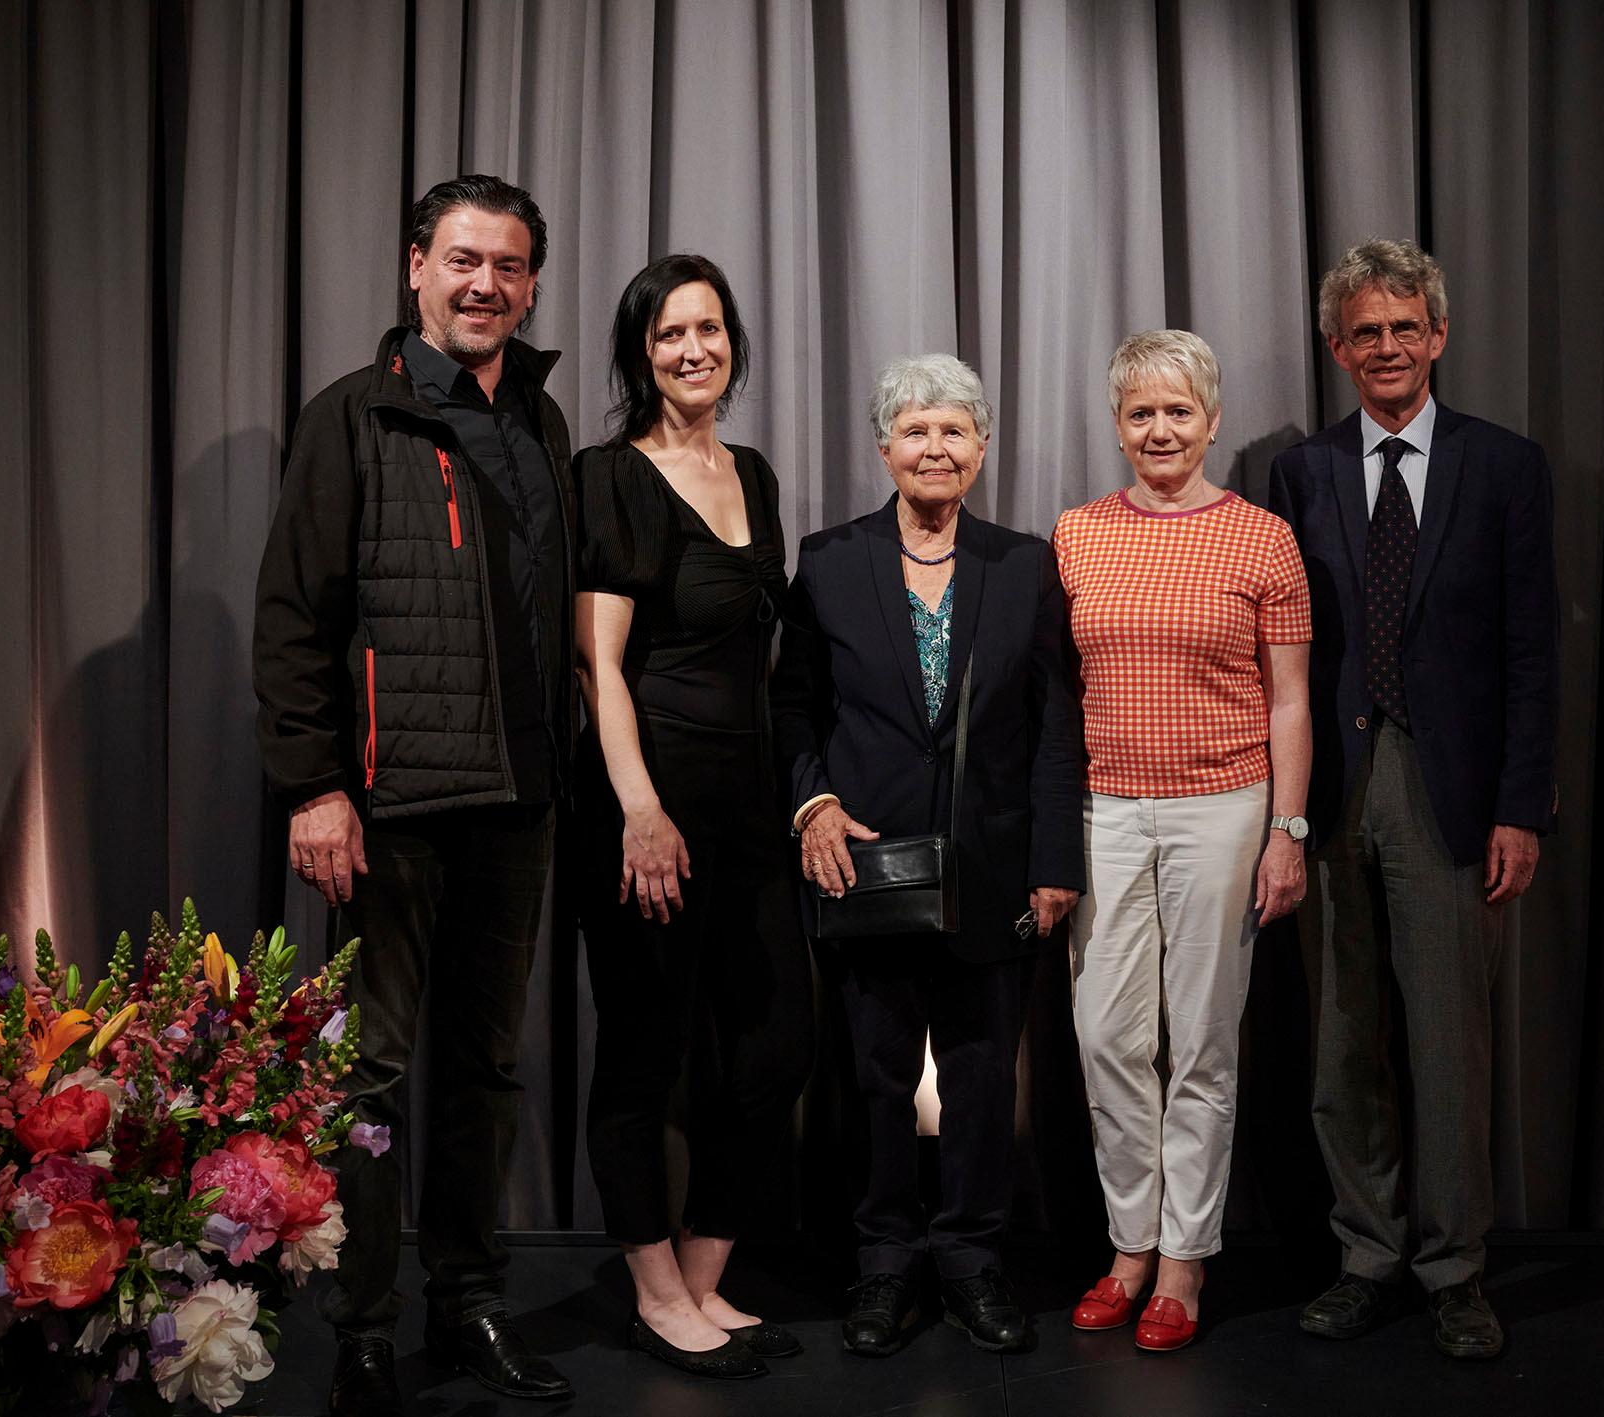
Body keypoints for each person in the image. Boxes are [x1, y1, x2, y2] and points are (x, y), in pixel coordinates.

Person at [253, 174, 575, 1416]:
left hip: (519, 805)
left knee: (486, 1071)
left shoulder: (541, 425)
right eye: (461, 260)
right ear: (415, 268)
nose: (483, 283)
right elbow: (292, 620)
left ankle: (468, 1303)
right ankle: (367, 1324)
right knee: (370, 1079)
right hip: (387, 810)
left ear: (531, 283)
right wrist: (315, 786)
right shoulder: (354, 417)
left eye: (506, 265)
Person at [1260, 238, 1559, 1361]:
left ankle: (1453, 1267)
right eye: (1362, 332)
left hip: (1452, 791)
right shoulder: (1301, 474)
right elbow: (1278, 654)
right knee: (1343, 1044)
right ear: (1336, 348)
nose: (1384, 348)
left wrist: (1519, 806)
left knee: (1446, 1043)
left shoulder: (1503, 465)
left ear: (1435, 338)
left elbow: (1531, 650)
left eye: (1403, 328)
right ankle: (1364, 1254)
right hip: (1330, 789)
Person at [771, 354, 1084, 1358]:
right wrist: (811, 799)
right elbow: (791, 707)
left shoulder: (1025, 563)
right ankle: (881, 1261)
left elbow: (1051, 725)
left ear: (981, 449)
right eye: (915, 430)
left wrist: (1052, 856)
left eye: (954, 431)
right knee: (871, 1070)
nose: (935, 448)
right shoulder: (825, 559)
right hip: (863, 864)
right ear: (883, 448)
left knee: (985, 1072)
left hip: (995, 866)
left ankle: (970, 1257)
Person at [573, 253, 814, 1381]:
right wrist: (638, 810)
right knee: (642, 1049)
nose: (692, 351)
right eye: (668, 335)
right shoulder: (608, 475)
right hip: (647, 801)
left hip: (749, 805)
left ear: (733, 341)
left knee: (773, 1042)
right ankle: (655, 1288)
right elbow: (599, 665)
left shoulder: (752, 472)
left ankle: (705, 1268)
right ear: (639, 354)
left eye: (708, 330)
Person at [1053, 329, 1313, 1353]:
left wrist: (1286, 830)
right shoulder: (1075, 534)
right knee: (1109, 1037)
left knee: (1201, 1044)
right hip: (1103, 811)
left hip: (1223, 807)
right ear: (1117, 426)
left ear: (1210, 420)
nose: (1158, 429)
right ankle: (1126, 1244)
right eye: (1138, 413)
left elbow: (1290, 701)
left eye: (1176, 411)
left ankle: (1180, 1264)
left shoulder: (1260, 538)